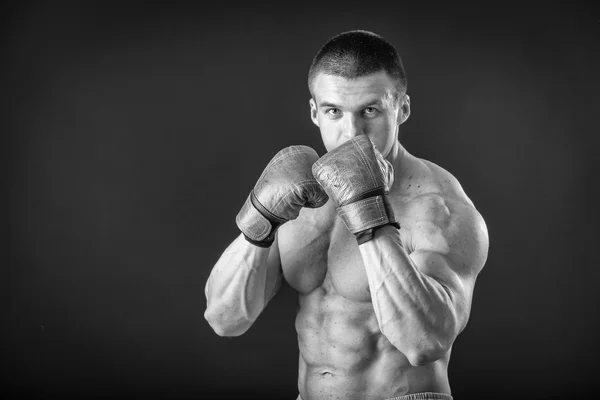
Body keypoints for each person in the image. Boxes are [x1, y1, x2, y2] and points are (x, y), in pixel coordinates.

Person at [204, 30, 489, 400]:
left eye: (369, 110)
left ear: (401, 108)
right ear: (314, 112)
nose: (351, 132)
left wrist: (367, 208)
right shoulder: (300, 194)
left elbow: (425, 342)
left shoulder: (438, 207)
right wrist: (260, 220)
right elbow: (225, 319)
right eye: (334, 111)